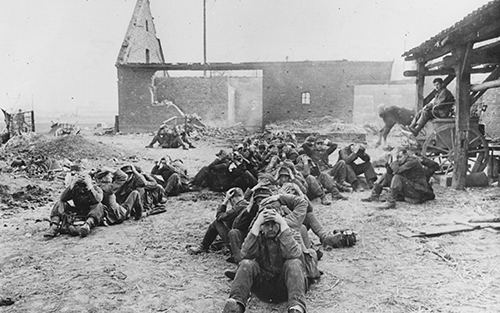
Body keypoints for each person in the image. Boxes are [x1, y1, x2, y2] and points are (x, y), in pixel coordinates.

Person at [222, 208, 307, 313]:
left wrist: (283, 226)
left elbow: (294, 253)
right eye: (266, 224)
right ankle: (237, 306)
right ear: (261, 226)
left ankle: (296, 308)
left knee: (294, 263)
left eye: (274, 224)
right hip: (264, 288)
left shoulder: (289, 233)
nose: (271, 228)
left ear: (280, 223)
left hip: (285, 287)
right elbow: (244, 254)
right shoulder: (257, 236)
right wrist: (256, 225)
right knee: (246, 264)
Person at [188, 188, 248, 255]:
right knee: (228, 222)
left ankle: (203, 247)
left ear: (232, 198)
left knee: (217, 223)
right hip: (245, 240)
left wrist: (225, 201)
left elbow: (219, 216)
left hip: (237, 242)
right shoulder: (248, 204)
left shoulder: (238, 208)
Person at [44, 173, 104, 238]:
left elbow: (98, 200)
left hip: (90, 212)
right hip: (77, 211)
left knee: (99, 205)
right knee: (60, 203)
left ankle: (87, 226)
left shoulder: (96, 189)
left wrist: (89, 187)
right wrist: (72, 185)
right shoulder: (75, 188)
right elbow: (62, 198)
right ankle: (54, 226)